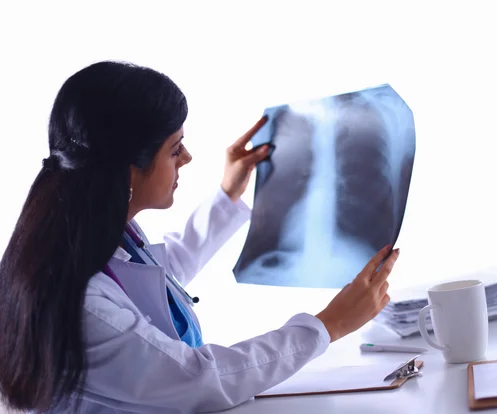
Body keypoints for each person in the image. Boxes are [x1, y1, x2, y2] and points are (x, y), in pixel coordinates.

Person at [0, 61, 399, 414]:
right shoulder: (82, 305)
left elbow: (157, 277)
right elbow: (199, 380)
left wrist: (227, 196)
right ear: (127, 169)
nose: (187, 158)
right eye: (175, 149)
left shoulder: (88, 240)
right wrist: (327, 326)